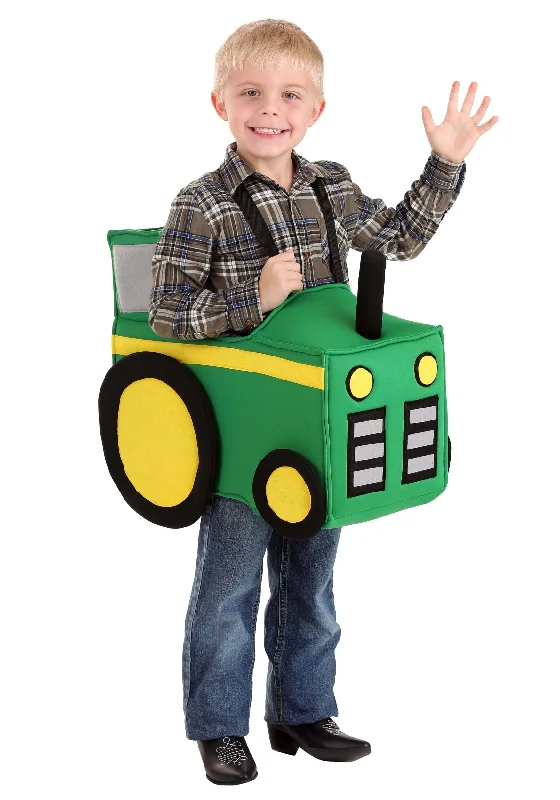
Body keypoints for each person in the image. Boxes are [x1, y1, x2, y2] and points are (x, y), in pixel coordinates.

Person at [148, 18, 497, 787]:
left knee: (312, 581)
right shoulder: (199, 204)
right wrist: (252, 296)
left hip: (317, 423)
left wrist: (443, 164)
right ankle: (217, 727)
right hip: (240, 430)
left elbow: (397, 240)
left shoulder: (329, 185)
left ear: (316, 110)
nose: (269, 110)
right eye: (251, 93)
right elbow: (165, 313)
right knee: (228, 586)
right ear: (219, 103)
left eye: (289, 96)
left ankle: (303, 711)